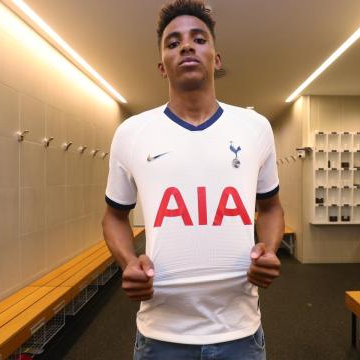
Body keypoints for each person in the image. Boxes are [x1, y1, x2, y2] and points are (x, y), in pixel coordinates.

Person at [102, 0, 285, 358]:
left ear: (216, 59)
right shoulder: (132, 133)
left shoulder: (255, 128)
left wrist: (270, 248)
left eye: (198, 39)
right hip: (161, 335)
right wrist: (128, 262)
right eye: (173, 43)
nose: (186, 46)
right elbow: (113, 215)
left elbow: (272, 207)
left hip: (240, 333)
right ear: (161, 67)